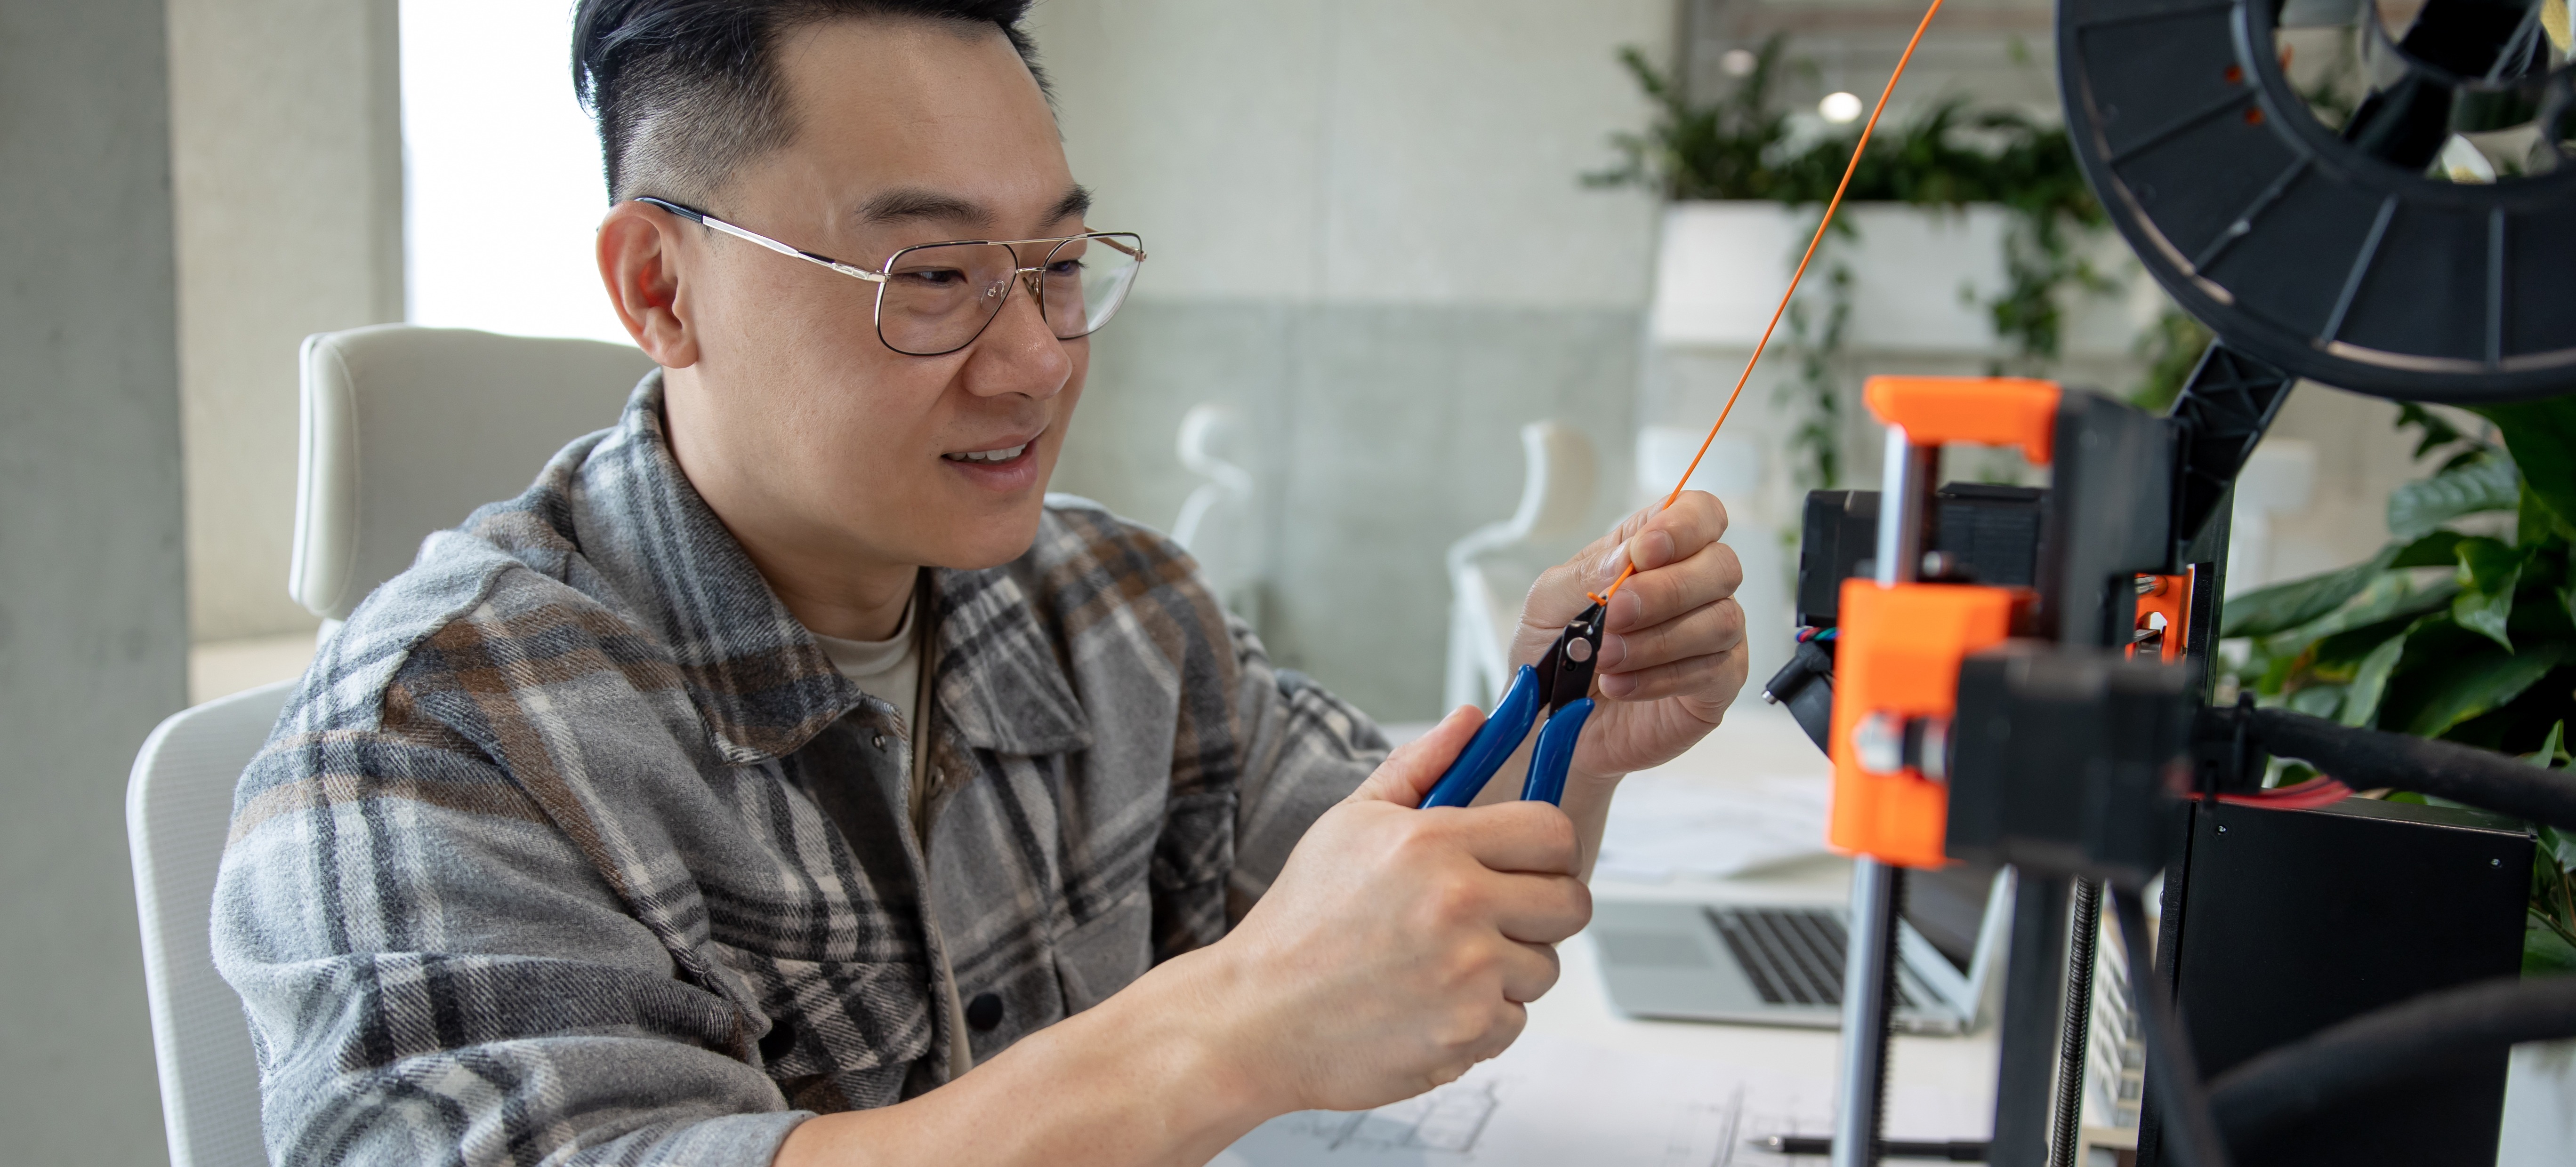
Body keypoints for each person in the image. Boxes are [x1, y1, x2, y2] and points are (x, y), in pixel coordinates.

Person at [212, 2, 1750, 1164]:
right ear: (659, 287)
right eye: (933, 278)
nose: (1037, 362)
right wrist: (1222, 1032)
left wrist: (1574, 725)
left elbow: (1398, 927)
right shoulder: (435, 739)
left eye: (1061, 267)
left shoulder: (1123, 609)